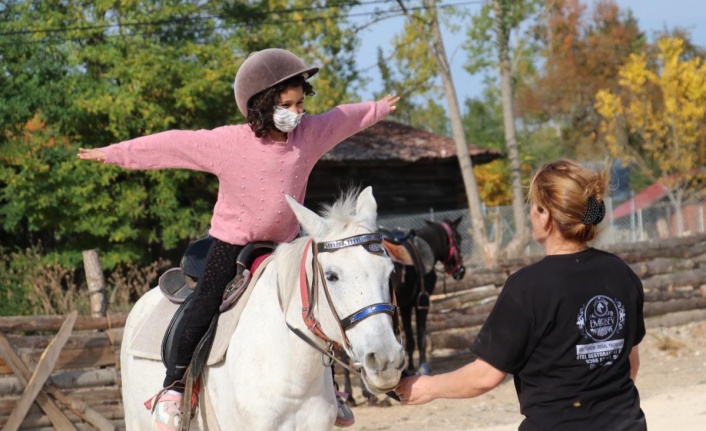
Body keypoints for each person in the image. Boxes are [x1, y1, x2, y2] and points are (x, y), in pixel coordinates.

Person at [78, 48, 399, 430]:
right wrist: (115, 153)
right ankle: (174, 385)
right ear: (262, 105)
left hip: (283, 244)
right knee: (204, 301)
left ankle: (326, 387)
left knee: (318, 303)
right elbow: (171, 145)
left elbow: (343, 118)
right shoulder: (228, 142)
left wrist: (378, 107)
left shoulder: (308, 134)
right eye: (286, 104)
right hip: (230, 244)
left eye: (300, 103)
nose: (296, 112)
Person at [395, 159, 646, 431]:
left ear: (546, 216)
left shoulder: (527, 287)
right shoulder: (621, 273)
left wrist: (427, 387)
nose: (530, 214)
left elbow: (485, 376)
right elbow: (630, 364)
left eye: (533, 207)